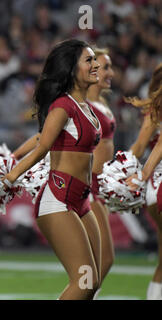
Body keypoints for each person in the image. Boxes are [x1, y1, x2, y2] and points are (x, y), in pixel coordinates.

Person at [3, 39, 102, 300]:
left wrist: (14, 155)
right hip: (58, 200)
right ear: (71, 68)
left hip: (82, 200)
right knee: (82, 283)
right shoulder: (62, 105)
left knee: (94, 281)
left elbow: (40, 138)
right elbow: (43, 146)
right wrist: (11, 174)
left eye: (95, 59)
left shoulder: (85, 107)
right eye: (89, 60)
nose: (96, 64)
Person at [126, 62, 162, 300]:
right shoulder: (155, 109)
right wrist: (137, 174)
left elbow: (138, 147)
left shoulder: (154, 108)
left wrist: (122, 170)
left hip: (154, 187)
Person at [85, 48, 116, 299]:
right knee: (104, 259)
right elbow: (44, 136)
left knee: (98, 260)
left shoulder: (102, 103)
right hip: (88, 185)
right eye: (105, 67)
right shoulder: (81, 104)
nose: (110, 73)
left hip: (101, 185)